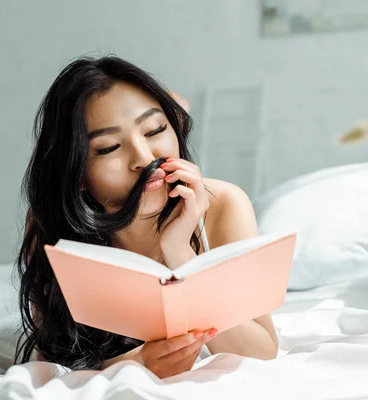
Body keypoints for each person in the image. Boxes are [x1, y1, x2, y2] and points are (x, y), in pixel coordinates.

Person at [15, 55, 278, 378]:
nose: (143, 157)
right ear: (77, 172)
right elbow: (53, 353)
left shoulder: (223, 205)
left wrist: (182, 255)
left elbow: (262, 350)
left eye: (155, 130)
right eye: (109, 148)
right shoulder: (51, 222)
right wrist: (137, 362)